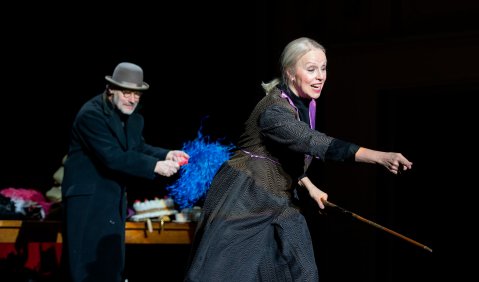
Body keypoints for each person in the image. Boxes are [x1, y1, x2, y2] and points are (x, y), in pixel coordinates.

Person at [183, 37, 413, 281]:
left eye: (323, 68)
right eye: (311, 69)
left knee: (301, 272)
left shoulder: (305, 103)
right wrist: (379, 157)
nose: (320, 76)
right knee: (226, 273)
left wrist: (309, 186)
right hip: (246, 197)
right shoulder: (274, 111)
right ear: (290, 73)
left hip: (281, 198)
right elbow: (313, 142)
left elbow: (285, 155)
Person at [60, 62, 189, 282]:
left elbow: (137, 148)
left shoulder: (133, 117)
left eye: (136, 94)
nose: (132, 99)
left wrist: (166, 154)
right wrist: (154, 166)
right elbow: (112, 156)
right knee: (85, 267)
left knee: (110, 267)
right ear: (111, 89)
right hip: (88, 202)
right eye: (127, 92)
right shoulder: (90, 115)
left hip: (113, 199)